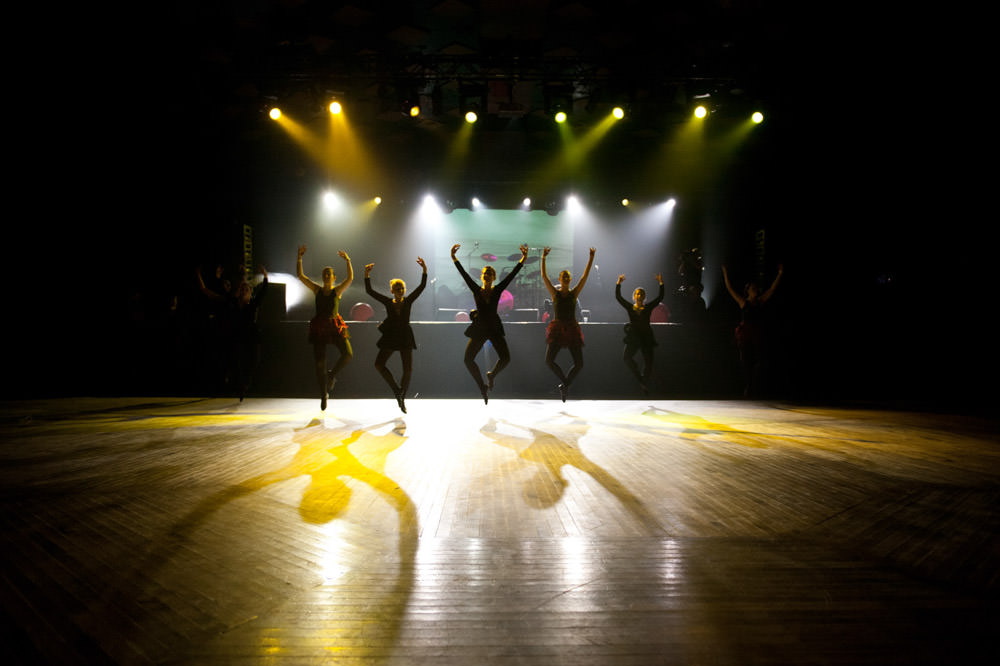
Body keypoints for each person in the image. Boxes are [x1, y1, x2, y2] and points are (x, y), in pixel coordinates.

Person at [451, 242, 529, 403]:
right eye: (484, 274)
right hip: (480, 328)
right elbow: (464, 275)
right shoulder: (476, 289)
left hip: (493, 327)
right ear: (482, 276)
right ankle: (482, 387)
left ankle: (492, 375)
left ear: (493, 277)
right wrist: (454, 258)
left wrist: (523, 259)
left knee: (506, 358)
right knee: (468, 359)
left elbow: (512, 275)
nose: (486, 276)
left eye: (489, 274)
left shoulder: (498, 289)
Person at [196, 265, 269, 401]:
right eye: (242, 290)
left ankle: (244, 383)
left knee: (253, 362)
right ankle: (239, 386)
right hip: (238, 337)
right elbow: (216, 293)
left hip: (252, 337)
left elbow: (262, 293)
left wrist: (265, 277)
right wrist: (219, 278)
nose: (243, 291)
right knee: (236, 361)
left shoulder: (252, 304)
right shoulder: (233, 302)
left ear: (250, 293)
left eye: (246, 290)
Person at [364, 257, 428, 413]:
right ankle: (396, 390)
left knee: (408, 369)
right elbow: (370, 291)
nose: (400, 290)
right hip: (392, 335)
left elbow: (421, 287)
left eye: (401, 288)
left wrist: (424, 270)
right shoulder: (387, 302)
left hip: (405, 335)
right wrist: (366, 275)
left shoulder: (408, 301)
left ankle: (402, 397)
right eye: (397, 288)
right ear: (392, 290)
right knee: (379, 364)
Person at [297, 245, 354, 410]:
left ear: (334, 277)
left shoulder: (337, 291)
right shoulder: (317, 290)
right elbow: (301, 276)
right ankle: (323, 395)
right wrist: (299, 257)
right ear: (323, 277)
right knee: (319, 363)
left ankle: (332, 375)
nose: (327, 276)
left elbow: (350, 278)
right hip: (319, 327)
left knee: (348, 354)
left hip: (334, 325)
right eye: (325, 274)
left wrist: (348, 260)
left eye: (329, 274)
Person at [541, 246, 596, 401]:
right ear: (559, 279)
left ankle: (564, 385)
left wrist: (591, 258)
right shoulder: (555, 293)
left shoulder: (574, 293)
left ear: (570, 279)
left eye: (567, 276)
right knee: (549, 360)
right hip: (558, 328)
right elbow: (544, 276)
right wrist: (543, 258)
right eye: (563, 276)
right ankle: (565, 383)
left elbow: (585, 276)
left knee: (579, 364)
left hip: (571, 328)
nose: (565, 278)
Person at [722, 263, 784, 398]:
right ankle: (748, 386)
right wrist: (725, 273)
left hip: (757, 333)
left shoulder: (761, 300)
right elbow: (730, 288)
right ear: (748, 290)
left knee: (760, 361)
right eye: (753, 288)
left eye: (756, 288)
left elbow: (772, 289)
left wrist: (779, 274)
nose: (756, 290)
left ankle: (754, 386)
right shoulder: (743, 302)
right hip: (745, 334)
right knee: (745, 362)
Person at [615, 272, 664, 394]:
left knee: (649, 362)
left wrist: (660, 283)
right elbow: (619, 298)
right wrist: (618, 283)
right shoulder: (630, 307)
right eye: (637, 293)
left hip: (646, 337)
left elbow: (660, 298)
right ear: (634, 296)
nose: (639, 295)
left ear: (644, 297)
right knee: (626, 357)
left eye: (641, 294)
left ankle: (644, 383)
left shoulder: (648, 307)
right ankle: (640, 379)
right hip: (634, 337)